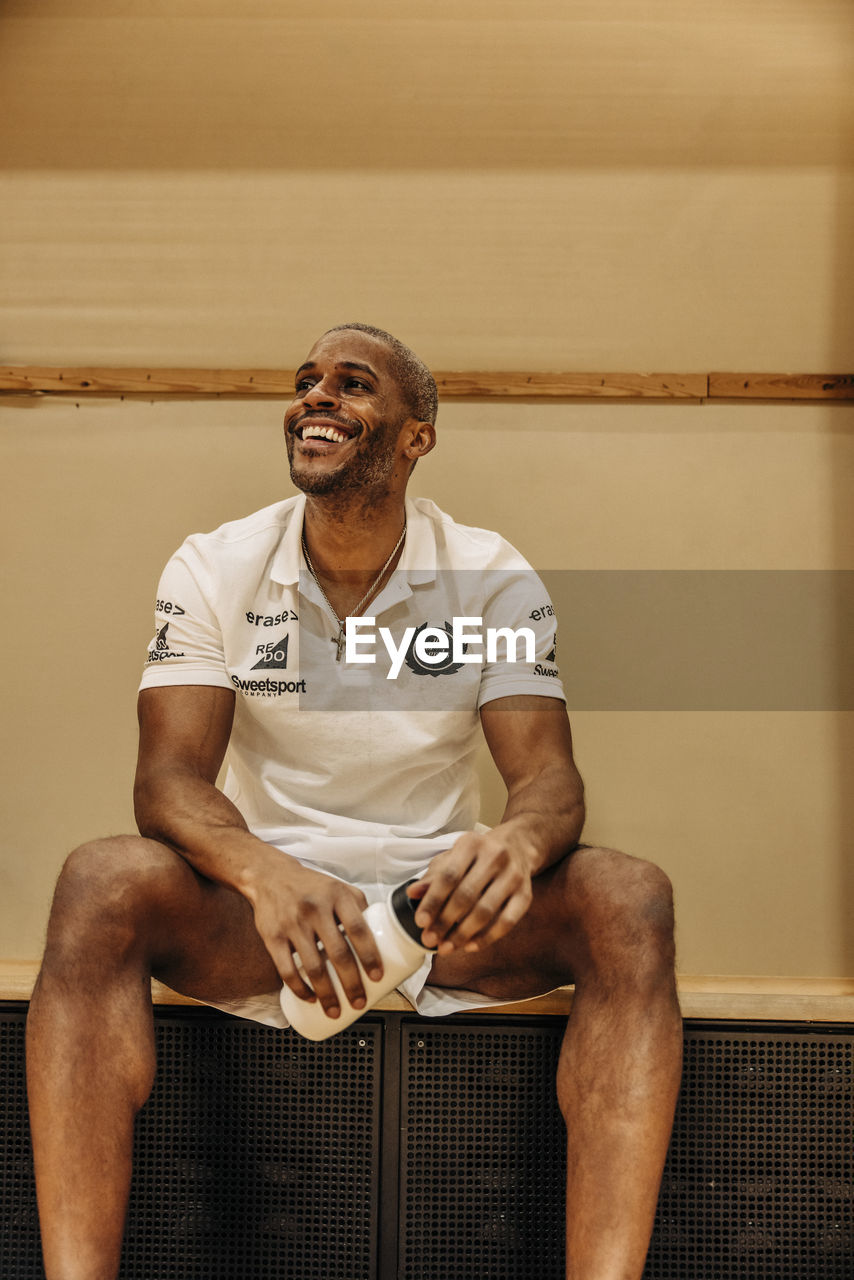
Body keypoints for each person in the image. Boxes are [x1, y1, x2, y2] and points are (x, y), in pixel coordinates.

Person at [26, 322, 682, 1280]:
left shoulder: (488, 573)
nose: (315, 398)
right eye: (305, 383)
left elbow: (547, 779)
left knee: (632, 899)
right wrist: (265, 870)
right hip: (268, 909)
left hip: (437, 911)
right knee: (98, 882)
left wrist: (515, 843)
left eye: (352, 384)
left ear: (415, 436)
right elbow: (167, 781)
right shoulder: (213, 565)